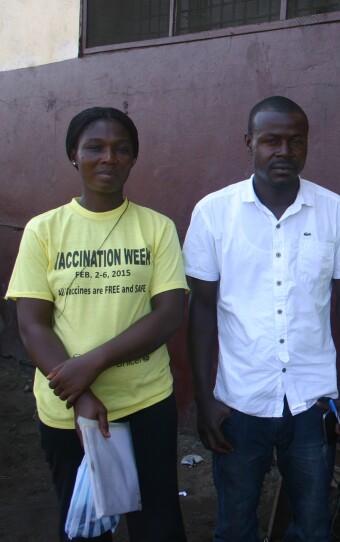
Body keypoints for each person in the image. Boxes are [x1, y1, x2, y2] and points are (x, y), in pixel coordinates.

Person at [184, 96, 340, 542]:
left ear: (307, 145)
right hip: (240, 399)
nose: (283, 151)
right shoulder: (214, 213)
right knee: (234, 524)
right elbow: (202, 308)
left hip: (312, 400)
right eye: (271, 140)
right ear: (249, 142)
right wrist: (203, 398)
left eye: (295, 141)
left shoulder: (335, 211)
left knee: (312, 525)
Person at [6, 107, 188, 541]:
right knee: (86, 528)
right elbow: (32, 325)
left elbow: (169, 314)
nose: (109, 158)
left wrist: (93, 363)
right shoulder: (43, 230)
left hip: (144, 402)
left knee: (157, 524)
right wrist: (79, 392)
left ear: (133, 159)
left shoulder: (156, 228)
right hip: (68, 408)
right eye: (95, 147)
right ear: (74, 154)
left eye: (121, 149)